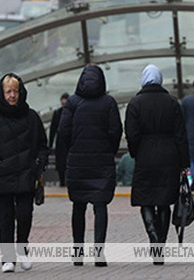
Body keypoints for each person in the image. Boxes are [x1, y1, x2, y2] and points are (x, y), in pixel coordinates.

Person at [0, 73, 49, 273]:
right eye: (8, 91)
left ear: (21, 92)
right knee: (6, 218)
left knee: (25, 215)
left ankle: (22, 250)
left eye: (15, 91)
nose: (12, 95)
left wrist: (38, 164)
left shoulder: (31, 117)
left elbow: (43, 145)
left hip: (26, 174)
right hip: (3, 176)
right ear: (2, 93)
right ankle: (8, 259)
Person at [124, 64, 190, 265]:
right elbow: (181, 134)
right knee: (163, 201)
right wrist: (184, 162)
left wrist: (136, 152)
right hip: (169, 156)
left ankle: (151, 234)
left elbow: (131, 134)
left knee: (145, 200)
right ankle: (160, 244)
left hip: (145, 156)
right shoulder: (172, 102)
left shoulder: (135, 103)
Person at [59, 65, 122, 267]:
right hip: (101, 161)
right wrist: (108, 150)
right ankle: (99, 253)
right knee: (100, 205)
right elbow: (115, 132)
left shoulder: (73, 103)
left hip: (78, 161)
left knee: (78, 206)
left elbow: (63, 132)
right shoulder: (108, 102)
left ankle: (78, 254)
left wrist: (72, 150)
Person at [48, 93, 70, 186]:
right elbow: (53, 129)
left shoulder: (66, 112)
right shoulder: (58, 113)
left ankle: (65, 182)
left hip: (67, 142)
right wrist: (50, 144)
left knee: (66, 163)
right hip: (62, 142)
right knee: (61, 163)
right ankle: (62, 182)